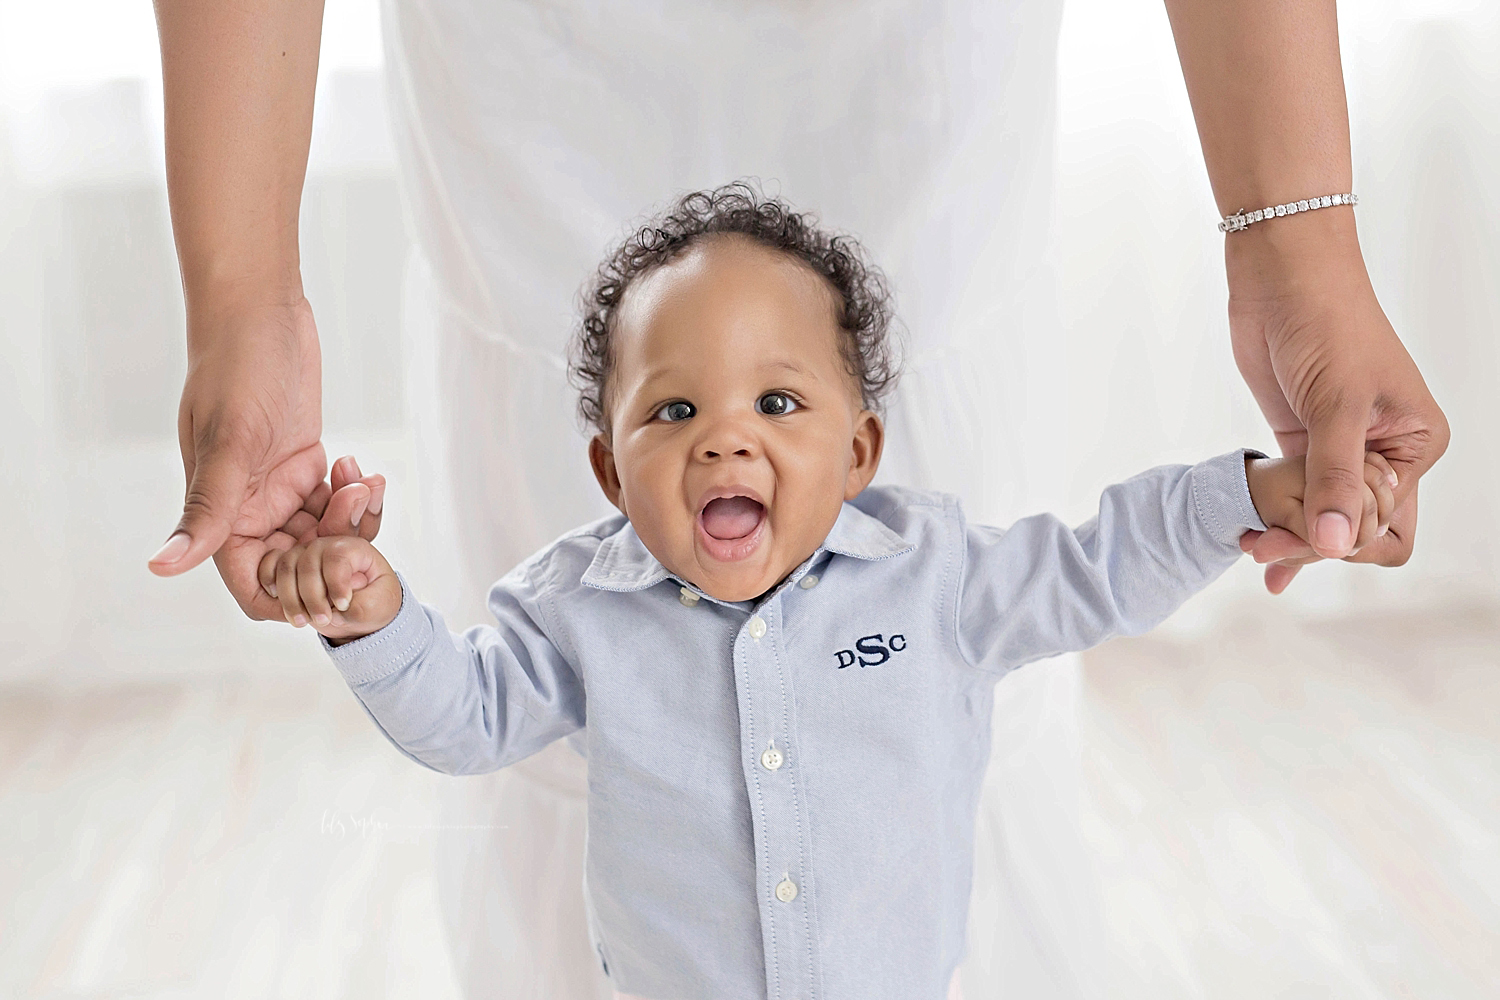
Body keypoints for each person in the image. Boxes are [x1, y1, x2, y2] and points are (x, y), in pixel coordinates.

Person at [146, 1, 1447, 994]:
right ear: (604, 469)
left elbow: (1104, 558)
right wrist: (369, 616)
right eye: (672, 414)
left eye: (779, 407)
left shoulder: (939, 575)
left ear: (867, 450)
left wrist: (1253, 479)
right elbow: (466, 714)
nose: (726, 446)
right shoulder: (570, 612)